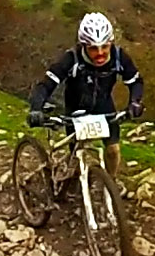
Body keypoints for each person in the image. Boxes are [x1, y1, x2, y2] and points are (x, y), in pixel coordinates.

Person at [27, 12, 144, 179]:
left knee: (113, 151)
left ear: (111, 43)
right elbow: (45, 84)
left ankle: (110, 185)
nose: (100, 53)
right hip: (75, 110)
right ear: (83, 46)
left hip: (104, 107)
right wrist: (36, 108)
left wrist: (135, 102)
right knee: (76, 158)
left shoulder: (119, 57)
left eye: (105, 46)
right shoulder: (71, 59)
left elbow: (136, 81)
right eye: (93, 48)